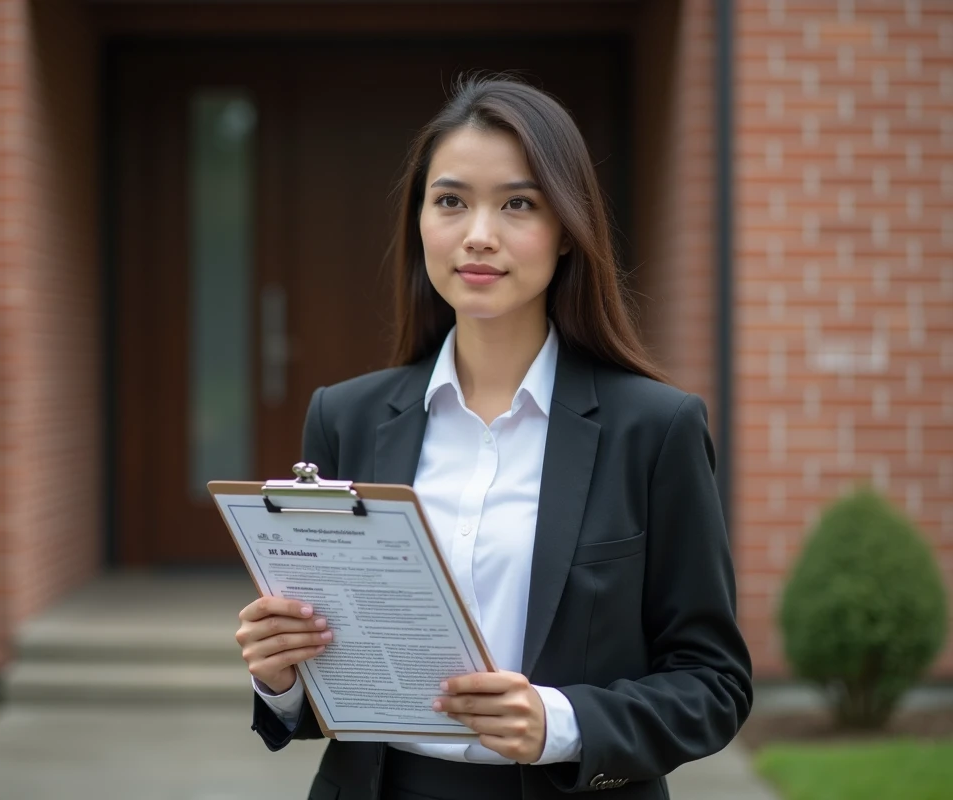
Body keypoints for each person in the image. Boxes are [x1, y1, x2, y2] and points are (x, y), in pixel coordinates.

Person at [234, 74, 752, 800]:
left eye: (518, 203)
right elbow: (340, 681)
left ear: (567, 230)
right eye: (451, 201)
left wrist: (562, 723)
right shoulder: (345, 416)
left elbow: (714, 682)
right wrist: (283, 677)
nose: (478, 233)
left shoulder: (654, 429)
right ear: (420, 222)